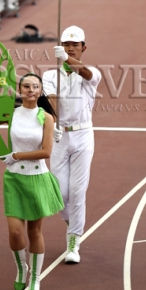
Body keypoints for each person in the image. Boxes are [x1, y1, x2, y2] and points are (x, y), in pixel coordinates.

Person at [0, 73, 64, 290]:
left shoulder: (46, 118)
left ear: (40, 91)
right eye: (26, 86)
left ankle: (35, 277)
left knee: (34, 231)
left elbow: (46, 152)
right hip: (14, 179)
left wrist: (16, 155)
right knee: (15, 231)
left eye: (35, 87)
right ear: (20, 89)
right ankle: (21, 269)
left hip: (37, 177)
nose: (30, 90)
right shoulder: (11, 112)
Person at [42, 26, 101, 264]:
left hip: (83, 135)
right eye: (66, 44)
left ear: (83, 48)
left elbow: (85, 73)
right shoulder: (49, 76)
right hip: (59, 137)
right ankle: (72, 221)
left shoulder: (92, 73)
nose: (70, 48)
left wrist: (67, 60)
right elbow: (52, 99)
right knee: (60, 193)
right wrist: (54, 123)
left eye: (74, 45)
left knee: (78, 191)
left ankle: (73, 241)